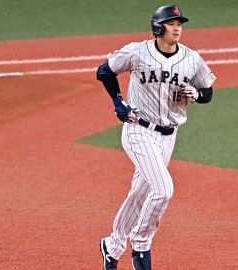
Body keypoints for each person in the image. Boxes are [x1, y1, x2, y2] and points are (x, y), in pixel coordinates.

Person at [96, 5, 215, 270]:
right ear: (158, 28)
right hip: (138, 130)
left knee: (140, 193)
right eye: (171, 23)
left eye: (179, 24)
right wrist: (118, 102)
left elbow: (208, 91)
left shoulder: (191, 59)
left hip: (167, 137)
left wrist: (196, 94)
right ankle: (140, 245)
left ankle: (112, 246)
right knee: (163, 190)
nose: (177, 28)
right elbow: (104, 71)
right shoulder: (138, 52)